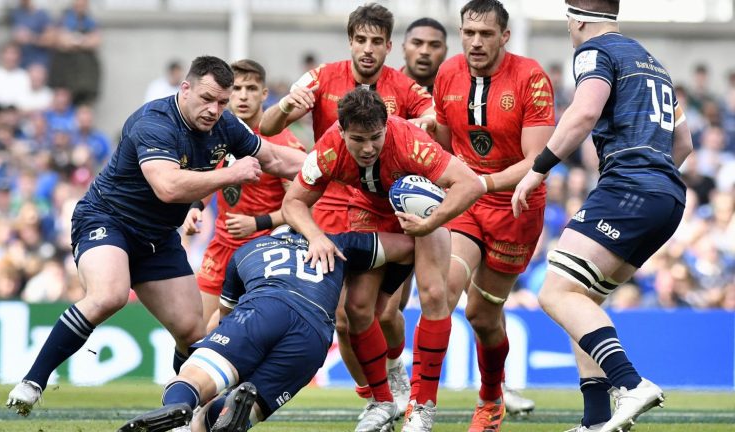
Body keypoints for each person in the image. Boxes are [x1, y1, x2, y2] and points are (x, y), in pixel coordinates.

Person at [6, 55, 306, 417]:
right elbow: (167, 186)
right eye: (207, 99)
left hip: (158, 237)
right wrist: (232, 174)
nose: (215, 109)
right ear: (185, 89)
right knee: (110, 295)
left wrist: (332, 163)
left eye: (221, 102)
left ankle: (181, 410)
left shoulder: (225, 125)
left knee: (192, 330)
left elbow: (273, 158)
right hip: (107, 219)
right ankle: (33, 381)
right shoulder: (155, 122)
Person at [511, 1, 693, 431]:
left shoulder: (596, 51)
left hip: (630, 187)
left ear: (575, 19)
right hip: (666, 196)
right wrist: (654, 182)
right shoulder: (652, 62)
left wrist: (538, 170)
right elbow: (682, 142)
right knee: (583, 298)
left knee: (555, 293)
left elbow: (585, 111)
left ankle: (630, 384)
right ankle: (595, 419)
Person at [260, 2, 435, 422]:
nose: (368, 49)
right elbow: (266, 127)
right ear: (350, 42)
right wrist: (287, 105)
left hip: (388, 207)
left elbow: (432, 117)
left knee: (385, 311)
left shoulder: (403, 87)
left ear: (389, 46)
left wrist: (426, 123)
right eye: (361, 40)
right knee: (345, 318)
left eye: (377, 41)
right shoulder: (321, 78)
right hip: (331, 201)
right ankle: (375, 393)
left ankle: (394, 374)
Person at [282, 88, 485, 432]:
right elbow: (293, 203)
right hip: (370, 212)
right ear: (342, 131)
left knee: (434, 296)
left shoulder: (409, 142)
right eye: (358, 139)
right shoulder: (328, 149)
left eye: (375, 137)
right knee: (356, 310)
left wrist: (430, 222)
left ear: (386, 127)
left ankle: (422, 409)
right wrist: (316, 236)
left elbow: (471, 185)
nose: (367, 148)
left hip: (424, 212)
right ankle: (383, 400)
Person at [117, 226, 416, 432]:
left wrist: (203, 362)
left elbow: (223, 318)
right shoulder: (336, 243)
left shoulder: (248, 250)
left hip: (263, 308)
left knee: (194, 379)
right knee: (244, 411)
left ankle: (181, 409)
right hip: (314, 336)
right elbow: (406, 247)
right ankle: (224, 413)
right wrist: (386, 295)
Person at [421, 1, 556, 431]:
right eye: (468, 32)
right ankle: (420, 407)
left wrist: (484, 183)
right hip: (467, 200)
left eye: (485, 33)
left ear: (505, 36)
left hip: (516, 206)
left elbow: (537, 161)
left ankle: (491, 395)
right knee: (442, 288)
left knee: (481, 315)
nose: (475, 41)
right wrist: (427, 135)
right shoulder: (447, 73)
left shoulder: (531, 77)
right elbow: (444, 142)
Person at [183, 59, 306, 330]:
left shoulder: (284, 145)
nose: (242, 96)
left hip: (263, 250)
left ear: (264, 94)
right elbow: (211, 177)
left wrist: (258, 223)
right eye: (236, 89)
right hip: (222, 245)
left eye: (251, 88)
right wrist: (195, 207)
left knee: (223, 331)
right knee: (197, 331)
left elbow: (302, 208)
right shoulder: (218, 132)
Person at [401, 17, 448, 94]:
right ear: (404, 48)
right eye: (417, 43)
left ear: (445, 52)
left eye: (435, 45)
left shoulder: (458, 92)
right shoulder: (382, 89)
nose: (425, 51)